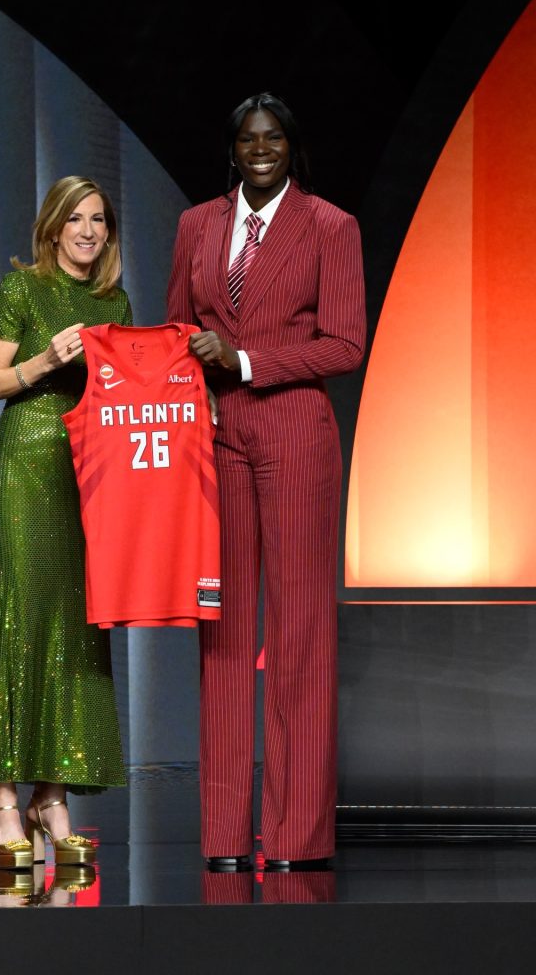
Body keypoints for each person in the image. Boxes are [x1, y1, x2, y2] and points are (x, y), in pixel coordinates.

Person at [165, 92, 366, 872]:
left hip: (294, 431)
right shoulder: (196, 225)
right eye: (248, 139)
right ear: (232, 148)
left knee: (299, 635)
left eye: (273, 138)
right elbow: (180, 330)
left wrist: (246, 363)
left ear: (290, 146)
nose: (260, 149)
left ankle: (295, 839)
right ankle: (222, 837)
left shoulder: (329, 226)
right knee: (221, 632)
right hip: (218, 437)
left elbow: (345, 342)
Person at [0, 175, 133, 872]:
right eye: (76, 219)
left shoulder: (114, 302)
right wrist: (46, 359)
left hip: (87, 477)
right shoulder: (21, 291)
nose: (88, 231)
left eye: (99, 220)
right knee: (20, 619)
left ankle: (53, 796)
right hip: (24, 468)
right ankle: (6, 801)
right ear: (53, 226)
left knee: (75, 628)